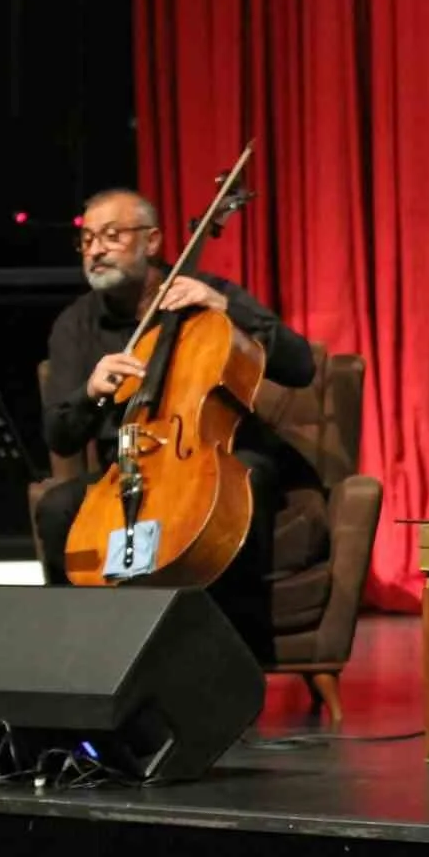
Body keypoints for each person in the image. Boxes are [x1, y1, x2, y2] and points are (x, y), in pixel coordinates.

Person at [34, 188, 318, 664]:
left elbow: (300, 366)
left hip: (216, 452)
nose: (96, 249)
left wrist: (226, 308)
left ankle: (235, 667)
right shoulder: (75, 325)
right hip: (129, 467)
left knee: (234, 488)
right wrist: (90, 392)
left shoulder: (209, 294)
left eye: (111, 235)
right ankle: (83, 663)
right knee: (58, 507)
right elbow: (59, 435)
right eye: (86, 240)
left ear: (152, 241)